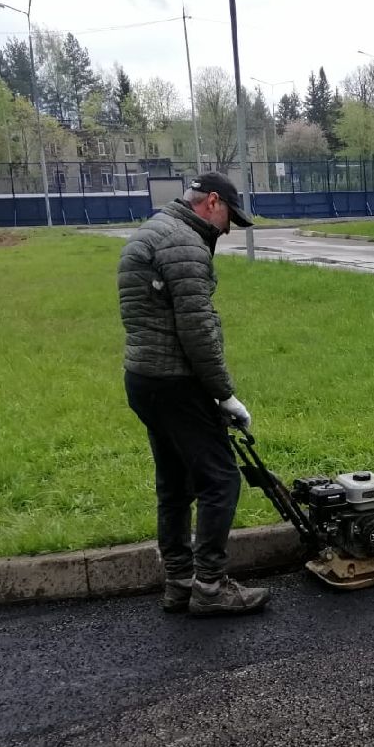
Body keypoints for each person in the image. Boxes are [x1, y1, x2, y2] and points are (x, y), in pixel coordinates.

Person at [117, 171, 270, 617]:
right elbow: (197, 330)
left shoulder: (153, 229)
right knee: (220, 480)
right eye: (229, 219)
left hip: (143, 378)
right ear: (212, 202)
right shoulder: (184, 243)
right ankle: (210, 587)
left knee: (174, 483)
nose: (228, 230)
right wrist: (224, 394)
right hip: (176, 382)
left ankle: (179, 582)